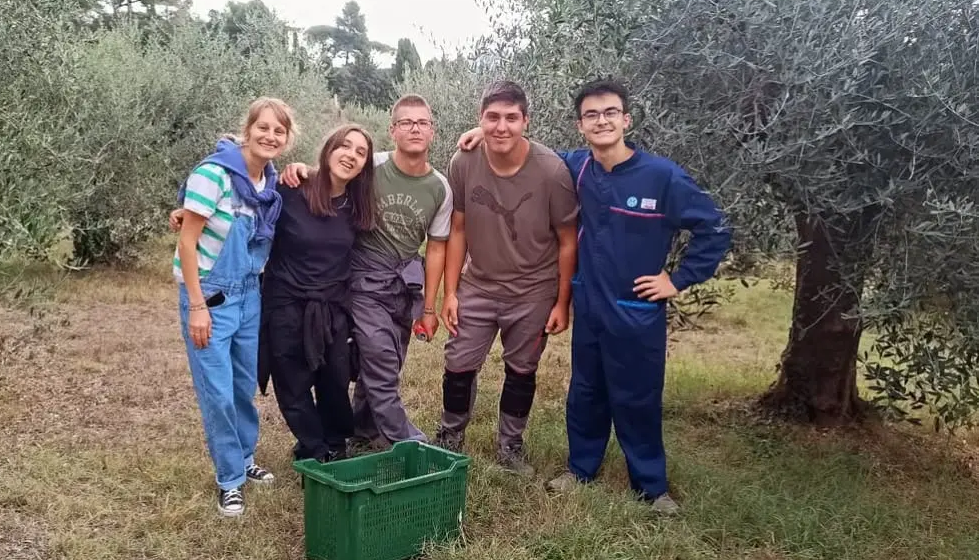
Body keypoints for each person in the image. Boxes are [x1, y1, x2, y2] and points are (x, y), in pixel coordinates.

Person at [457, 78, 732, 514]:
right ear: (580, 125)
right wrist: (483, 135)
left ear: (626, 119)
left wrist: (677, 280)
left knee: (637, 394)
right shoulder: (576, 168)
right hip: (590, 303)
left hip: (637, 309)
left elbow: (715, 229)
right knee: (585, 390)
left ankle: (651, 486)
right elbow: (528, 153)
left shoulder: (662, 177)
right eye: (591, 115)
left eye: (610, 113)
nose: (601, 121)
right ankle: (580, 469)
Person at [280, 95, 452, 451]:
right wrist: (302, 170)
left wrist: (430, 306)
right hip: (362, 278)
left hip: (405, 284)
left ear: (432, 131)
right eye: (406, 122)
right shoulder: (371, 165)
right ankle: (409, 443)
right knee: (381, 362)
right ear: (393, 130)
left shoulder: (441, 187)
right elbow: (334, 173)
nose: (414, 128)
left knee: (389, 357)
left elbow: (436, 247)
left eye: (422, 122)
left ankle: (362, 429)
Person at [435, 80, 579, 476]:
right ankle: (449, 438)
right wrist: (451, 293)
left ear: (525, 121)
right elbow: (458, 228)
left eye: (511, 118)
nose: (501, 127)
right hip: (478, 285)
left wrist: (561, 301)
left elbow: (568, 240)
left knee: (522, 370)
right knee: (459, 364)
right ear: (479, 120)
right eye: (492, 118)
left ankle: (510, 444)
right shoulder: (463, 162)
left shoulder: (551, 171)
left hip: (533, 291)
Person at [173, 97, 290, 517]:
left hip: (249, 294)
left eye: (279, 131)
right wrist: (198, 307)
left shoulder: (268, 185)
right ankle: (229, 480)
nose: (270, 136)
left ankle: (244, 458)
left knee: (243, 387)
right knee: (218, 393)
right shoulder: (213, 175)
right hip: (211, 295)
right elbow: (187, 242)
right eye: (263, 127)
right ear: (248, 129)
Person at [260, 124, 379, 463]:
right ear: (328, 149)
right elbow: (246, 197)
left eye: (360, 152)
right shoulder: (291, 189)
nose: (351, 155)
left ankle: (335, 443)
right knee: (293, 385)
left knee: (335, 383)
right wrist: (190, 213)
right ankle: (314, 451)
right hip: (286, 304)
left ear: (364, 166)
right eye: (345, 146)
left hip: (332, 309)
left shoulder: (357, 207)